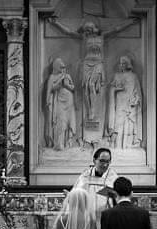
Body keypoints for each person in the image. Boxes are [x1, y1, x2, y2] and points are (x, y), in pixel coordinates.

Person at [47, 17, 139, 147]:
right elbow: (69, 32)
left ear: (93, 28)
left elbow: (116, 29)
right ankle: (90, 111)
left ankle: (93, 112)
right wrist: (56, 23)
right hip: (86, 66)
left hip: (98, 65)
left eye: (89, 29)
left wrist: (129, 22)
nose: (88, 32)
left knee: (95, 88)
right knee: (86, 88)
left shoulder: (102, 36)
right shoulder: (84, 38)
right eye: (86, 30)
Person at [108, 55, 142, 149]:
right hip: (119, 103)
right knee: (117, 124)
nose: (122, 65)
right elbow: (111, 88)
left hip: (129, 104)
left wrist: (135, 99)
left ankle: (127, 146)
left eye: (124, 63)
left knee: (129, 124)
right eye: (121, 64)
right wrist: (116, 89)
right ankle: (116, 146)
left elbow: (137, 92)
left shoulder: (134, 76)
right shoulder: (117, 75)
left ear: (128, 64)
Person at [45, 58, 77, 150]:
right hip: (59, 102)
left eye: (64, 67)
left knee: (69, 121)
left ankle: (68, 142)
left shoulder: (67, 76)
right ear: (56, 67)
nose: (63, 69)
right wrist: (60, 80)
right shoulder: (52, 77)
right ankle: (59, 144)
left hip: (69, 102)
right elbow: (51, 89)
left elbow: (73, 88)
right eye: (61, 67)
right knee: (61, 122)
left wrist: (67, 85)